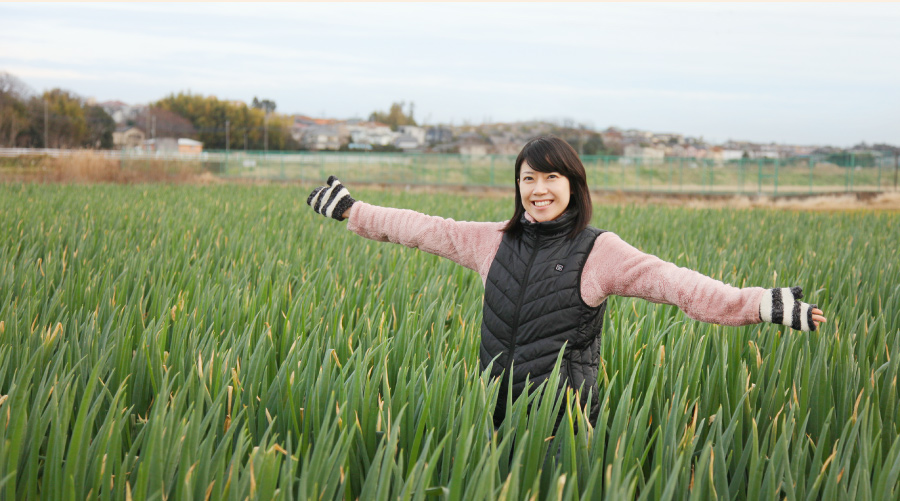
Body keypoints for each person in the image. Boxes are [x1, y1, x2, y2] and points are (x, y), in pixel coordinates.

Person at [306, 135, 826, 430]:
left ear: (574, 186)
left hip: (564, 423)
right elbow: (424, 229)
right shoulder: (492, 240)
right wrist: (355, 210)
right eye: (528, 178)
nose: (538, 189)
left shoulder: (599, 251)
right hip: (494, 411)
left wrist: (757, 303)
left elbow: (675, 284)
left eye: (551, 177)